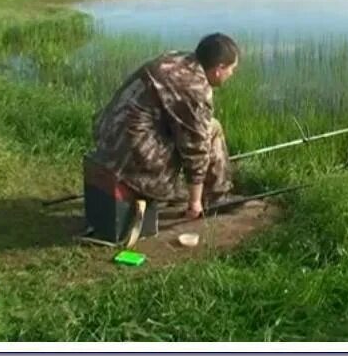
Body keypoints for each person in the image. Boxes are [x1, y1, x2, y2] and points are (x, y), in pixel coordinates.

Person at [91, 33, 239, 219]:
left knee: (198, 129)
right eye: (232, 69)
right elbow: (196, 148)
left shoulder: (176, 58)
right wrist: (194, 202)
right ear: (219, 69)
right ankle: (216, 197)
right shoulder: (195, 88)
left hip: (108, 137)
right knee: (211, 130)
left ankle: (192, 191)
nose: (232, 74)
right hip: (131, 153)